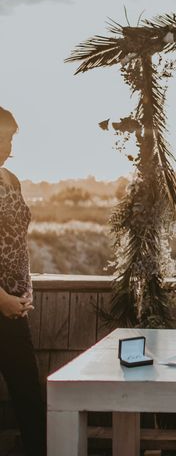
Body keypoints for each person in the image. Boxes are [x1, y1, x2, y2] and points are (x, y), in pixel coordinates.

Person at [0, 107, 46, 455]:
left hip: (16, 309)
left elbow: (19, 239)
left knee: (31, 397)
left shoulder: (11, 180)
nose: (7, 144)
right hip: (1, 302)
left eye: (11, 137)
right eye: (2, 136)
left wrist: (25, 291)